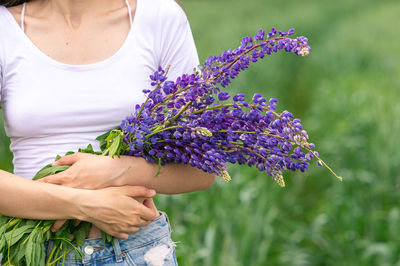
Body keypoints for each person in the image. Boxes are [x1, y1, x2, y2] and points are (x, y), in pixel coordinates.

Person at [0, 0, 216, 265]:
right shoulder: (5, 28)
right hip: (34, 252)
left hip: (134, 252)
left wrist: (116, 170)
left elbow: (203, 170)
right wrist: (83, 203)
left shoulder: (160, 17)